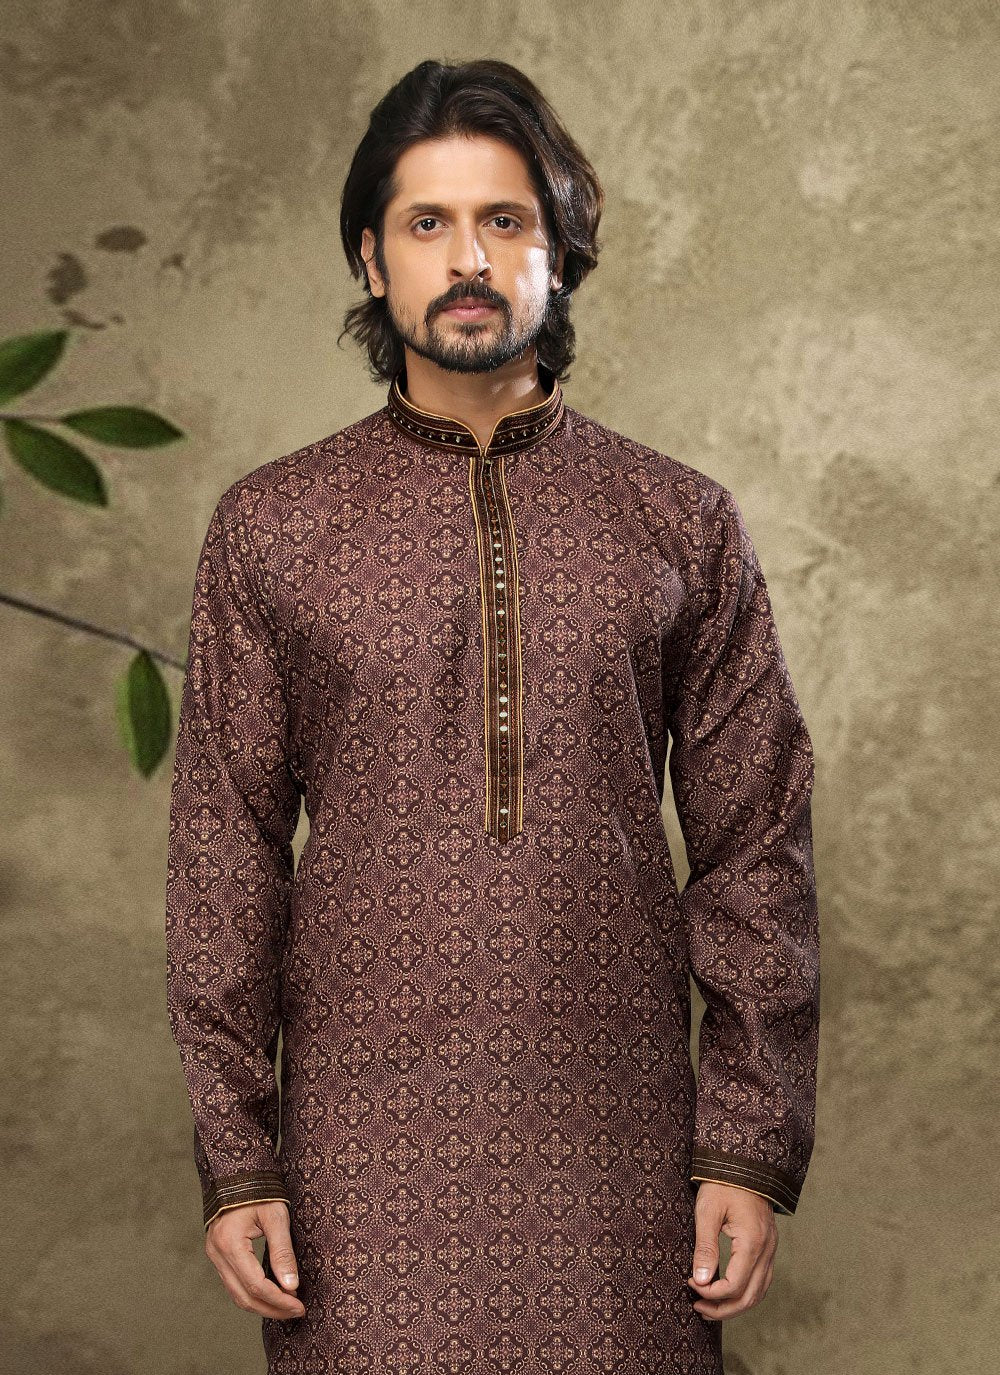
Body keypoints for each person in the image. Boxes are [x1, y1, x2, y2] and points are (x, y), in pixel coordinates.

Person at [165, 57, 819, 1375]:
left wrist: (746, 1141)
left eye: (504, 220)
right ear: (372, 259)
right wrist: (238, 1157)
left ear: (558, 251)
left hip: (622, 1138)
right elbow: (224, 857)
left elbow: (756, 844)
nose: (468, 258)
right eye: (429, 222)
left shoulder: (677, 519)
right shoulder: (274, 525)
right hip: (358, 1153)